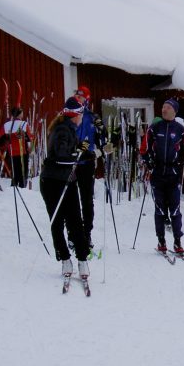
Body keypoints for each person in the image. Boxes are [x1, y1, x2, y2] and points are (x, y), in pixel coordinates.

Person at [39, 98, 90, 279]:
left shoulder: (67, 128)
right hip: (55, 182)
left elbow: (67, 151)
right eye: (81, 114)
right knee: (60, 221)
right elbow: (61, 157)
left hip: (63, 180)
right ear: (75, 115)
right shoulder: (62, 129)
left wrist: (81, 149)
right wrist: (80, 156)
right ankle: (66, 260)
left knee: (74, 220)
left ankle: (82, 260)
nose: (82, 117)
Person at [140, 98, 184, 254]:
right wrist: (147, 160)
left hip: (174, 174)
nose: (164, 109)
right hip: (157, 173)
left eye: (167, 107)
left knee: (175, 210)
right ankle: (161, 240)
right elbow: (144, 149)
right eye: (163, 106)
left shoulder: (180, 130)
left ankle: (177, 241)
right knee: (160, 210)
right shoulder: (154, 128)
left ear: (174, 111)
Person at [73, 86, 106, 252]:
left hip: (86, 164)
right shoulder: (68, 113)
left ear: (87, 98)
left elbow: (104, 136)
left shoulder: (93, 116)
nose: (79, 98)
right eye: (77, 95)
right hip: (71, 163)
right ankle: (73, 235)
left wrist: (100, 149)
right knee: (71, 201)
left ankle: (86, 234)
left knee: (87, 201)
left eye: (82, 96)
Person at [0, 107, 33, 188]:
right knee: (22, 172)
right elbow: (30, 138)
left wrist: (5, 142)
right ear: (19, 114)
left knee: (14, 171)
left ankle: (14, 186)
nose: (23, 114)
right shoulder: (24, 124)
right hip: (23, 152)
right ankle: (22, 187)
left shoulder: (7, 125)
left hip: (12, 152)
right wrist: (31, 148)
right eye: (22, 112)